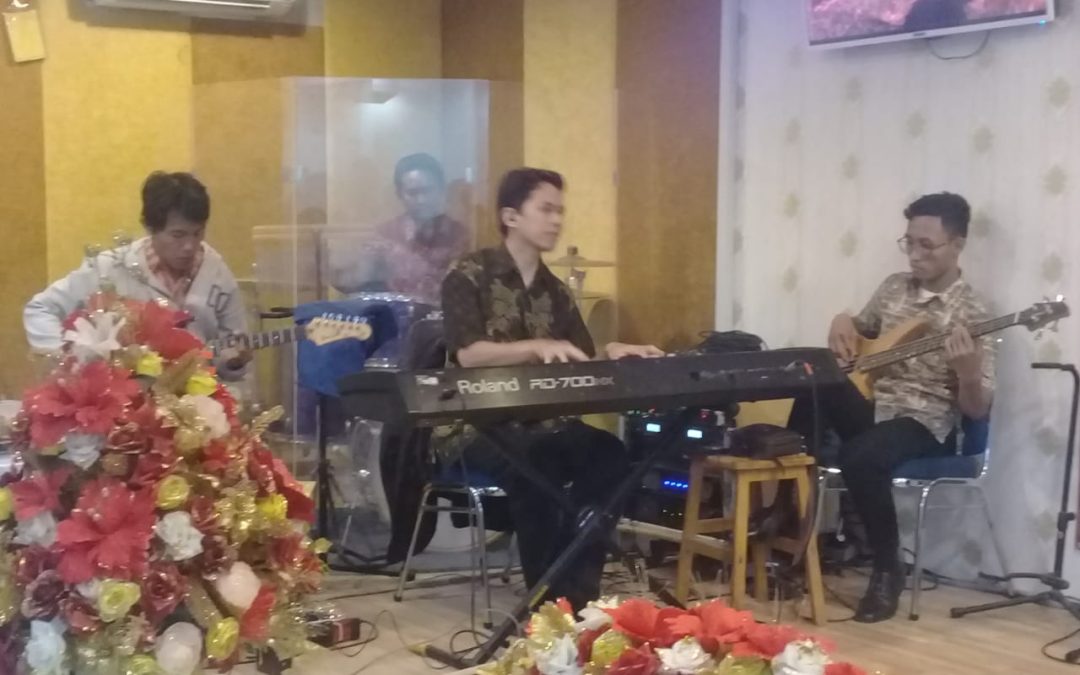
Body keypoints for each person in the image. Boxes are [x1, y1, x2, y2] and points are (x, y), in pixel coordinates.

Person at [440, 168, 663, 609]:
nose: (557, 220)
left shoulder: (556, 293)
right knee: (537, 464)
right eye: (546, 209)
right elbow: (469, 355)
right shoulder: (468, 275)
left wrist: (613, 351)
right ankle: (547, 604)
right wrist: (536, 346)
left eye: (560, 210)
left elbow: (578, 358)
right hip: (477, 424)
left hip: (544, 423)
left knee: (610, 456)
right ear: (511, 216)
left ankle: (577, 594)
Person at [787, 192, 994, 622]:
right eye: (909, 243)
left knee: (859, 456)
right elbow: (860, 332)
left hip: (924, 422)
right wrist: (841, 320)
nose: (915, 255)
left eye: (927, 246)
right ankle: (787, 523)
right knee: (813, 377)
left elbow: (976, 411)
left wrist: (969, 374)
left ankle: (887, 568)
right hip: (874, 406)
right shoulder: (894, 287)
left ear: (957, 245)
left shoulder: (974, 313)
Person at [24, 171, 251, 378]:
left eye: (198, 233)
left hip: (197, 403)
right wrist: (66, 359)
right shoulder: (110, 267)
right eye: (178, 235)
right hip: (125, 401)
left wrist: (234, 363)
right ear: (150, 228)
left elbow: (230, 362)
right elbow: (40, 308)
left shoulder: (217, 273)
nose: (189, 246)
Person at [331, 153, 471, 304]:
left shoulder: (459, 235)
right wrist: (364, 266)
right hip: (394, 316)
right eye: (413, 193)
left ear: (441, 190)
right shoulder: (384, 234)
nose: (421, 200)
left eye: (428, 190)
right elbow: (355, 287)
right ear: (399, 194)